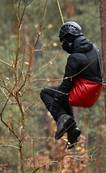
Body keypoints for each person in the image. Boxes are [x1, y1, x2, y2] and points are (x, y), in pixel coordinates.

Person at [40, 21, 102, 149]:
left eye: (63, 41)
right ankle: (72, 131)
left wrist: (55, 107)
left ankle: (67, 123)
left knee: (46, 93)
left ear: (69, 39)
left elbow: (66, 86)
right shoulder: (94, 48)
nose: (63, 45)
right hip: (94, 92)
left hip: (84, 93)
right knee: (63, 96)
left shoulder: (74, 58)